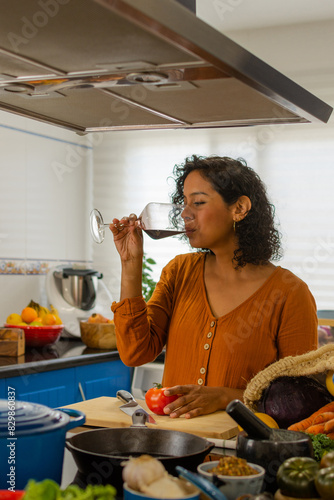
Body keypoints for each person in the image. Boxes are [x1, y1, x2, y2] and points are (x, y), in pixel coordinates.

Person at [110, 155, 318, 419]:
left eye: (198, 202)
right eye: (184, 203)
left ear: (239, 208)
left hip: (243, 452)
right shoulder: (179, 272)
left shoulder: (290, 293)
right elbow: (134, 352)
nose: (185, 213)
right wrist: (130, 263)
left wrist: (224, 396)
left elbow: (300, 398)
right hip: (173, 446)